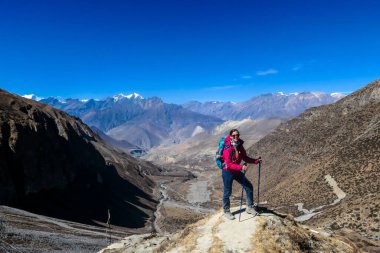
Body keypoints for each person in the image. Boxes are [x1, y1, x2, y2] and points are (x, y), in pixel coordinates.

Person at [222, 129, 261, 220]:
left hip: (236, 171)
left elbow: (245, 157)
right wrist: (241, 167)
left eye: (237, 135)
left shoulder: (239, 145)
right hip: (227, 172)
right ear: (230, 136)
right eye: (234, 135)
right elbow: (229, 164)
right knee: (227, 192)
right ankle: (226, 211)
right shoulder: (227, 148)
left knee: (249, 187)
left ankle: (249, 207)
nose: (236, 137)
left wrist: (255, 161)